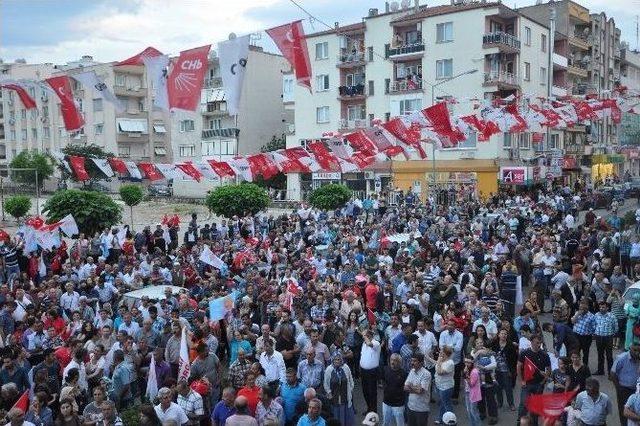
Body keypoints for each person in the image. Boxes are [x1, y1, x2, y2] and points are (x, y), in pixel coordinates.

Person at [517, 335, 551, 422]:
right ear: (531, 342)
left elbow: (549, 369)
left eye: (540, 343)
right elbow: (519, 366)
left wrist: (544, 381)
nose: (539, 345)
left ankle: (534, 423)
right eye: (537, 343)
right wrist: (522, 381)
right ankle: (520, 422)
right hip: (527, 383)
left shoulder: (545, 355)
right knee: (524, 404)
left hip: (539, 384)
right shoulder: (524, 353)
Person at [612, 344, 640, 426]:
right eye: (635, 350)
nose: (637, 353)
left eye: (639, 350)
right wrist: (618, 388)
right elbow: (613, 374)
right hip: (624, 389)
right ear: (630, 348)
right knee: (625, 411)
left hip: (636, 389)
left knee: (636, 409)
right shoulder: (622, 358)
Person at [323, 353, 354, 426]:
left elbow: (351, 380)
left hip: (345, 397)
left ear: (342, 360)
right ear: (332, 360)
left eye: (339, 359)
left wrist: (350, 390)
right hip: (334, 398)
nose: (337, 361)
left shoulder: (346, 367)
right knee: (335, 417)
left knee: (346, 417)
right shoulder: (329, 369)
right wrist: (329, 393)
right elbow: (326, 384)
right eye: (335, 359)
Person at [403, 353, 430, 426]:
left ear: (421, 363)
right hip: (410, 407)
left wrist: (411, 387)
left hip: (421, 409)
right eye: (412, 361)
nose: (412, 363)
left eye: (414, 361)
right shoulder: (412, 371)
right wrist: (415, 387)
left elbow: (420, 391)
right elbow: (405, 387)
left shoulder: (426, 374)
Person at [358, 329, 381, 414]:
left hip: (372, 372)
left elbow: (369, 343)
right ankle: (369, 408)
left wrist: (364, 335)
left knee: (372, 393)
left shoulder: (376, 343)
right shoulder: (363, 344)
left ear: (370, 336)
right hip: (363, 371)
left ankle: (373, 412)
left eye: (365, 336)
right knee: (365, 392)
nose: (363, 337)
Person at [382, 354, 407, 426]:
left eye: (395, 360)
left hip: (398, 405)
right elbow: (383, 381)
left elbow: (406, 388)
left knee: (400, 424)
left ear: (400, 363)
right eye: (391, 360)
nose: (392, 362)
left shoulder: (404, 374)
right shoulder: (385, 369)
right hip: (386, 403)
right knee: (385, 423)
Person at [435, 346, 455, 425]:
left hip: (446, 387)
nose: (440, 352)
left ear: (446, 353)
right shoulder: (442, 360)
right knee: (443, 403)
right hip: (439, 386)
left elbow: (440, 372)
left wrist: (439, 362)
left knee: (447, 405)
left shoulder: (450, 363)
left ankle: (450, 421)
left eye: (441, 351)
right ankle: (440, 419)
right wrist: (427, 357)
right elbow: (436, 364)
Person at [463, 356, 481, 426]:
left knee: (473, 411)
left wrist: (466, 375)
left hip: (473, 394)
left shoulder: (474, 372)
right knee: (469, 410)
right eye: (465, 362)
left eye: (468, 362)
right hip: (467, 392)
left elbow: (471, 384)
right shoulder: (467, 369)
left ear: (472, 362)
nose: (466, 364)